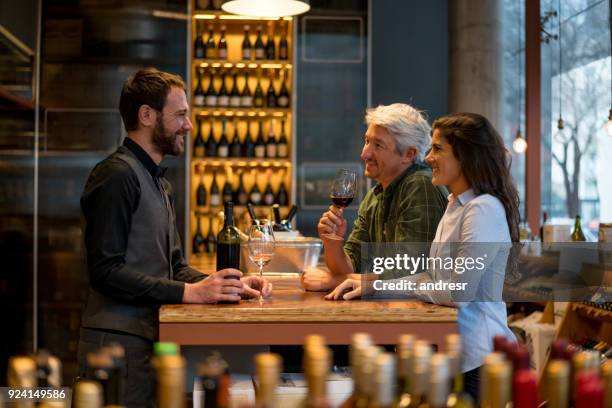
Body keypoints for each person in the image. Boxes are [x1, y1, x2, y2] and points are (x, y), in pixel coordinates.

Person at [78, 68, 272, 407]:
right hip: (115, 346)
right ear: (147, 115)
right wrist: (190, 291)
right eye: (181, 114)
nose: (189, 125)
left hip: (149, 338)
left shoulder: (159, 183)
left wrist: (226, 284)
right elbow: (105, 271)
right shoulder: (117, 175)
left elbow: (175, 267)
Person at [326, 112, 519, 402]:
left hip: (480, 359)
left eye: (438, 149)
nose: (428, 158)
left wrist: (404, 285)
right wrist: (374, 285)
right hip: (454, 356)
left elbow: (457, 291)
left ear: (466, 157)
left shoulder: (483, 209)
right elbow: (432, 277)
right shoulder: (456, 205)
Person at [301, 103, 447, 291]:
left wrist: (331, 281)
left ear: (409, 154)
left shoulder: (420, 185)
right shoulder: (375, 195)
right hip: (392, 310)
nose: (364, 154)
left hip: (423, 316)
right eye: (366, 141)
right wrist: (332, 241)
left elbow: (407, 274)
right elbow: (350, 266)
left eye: (378, 145)